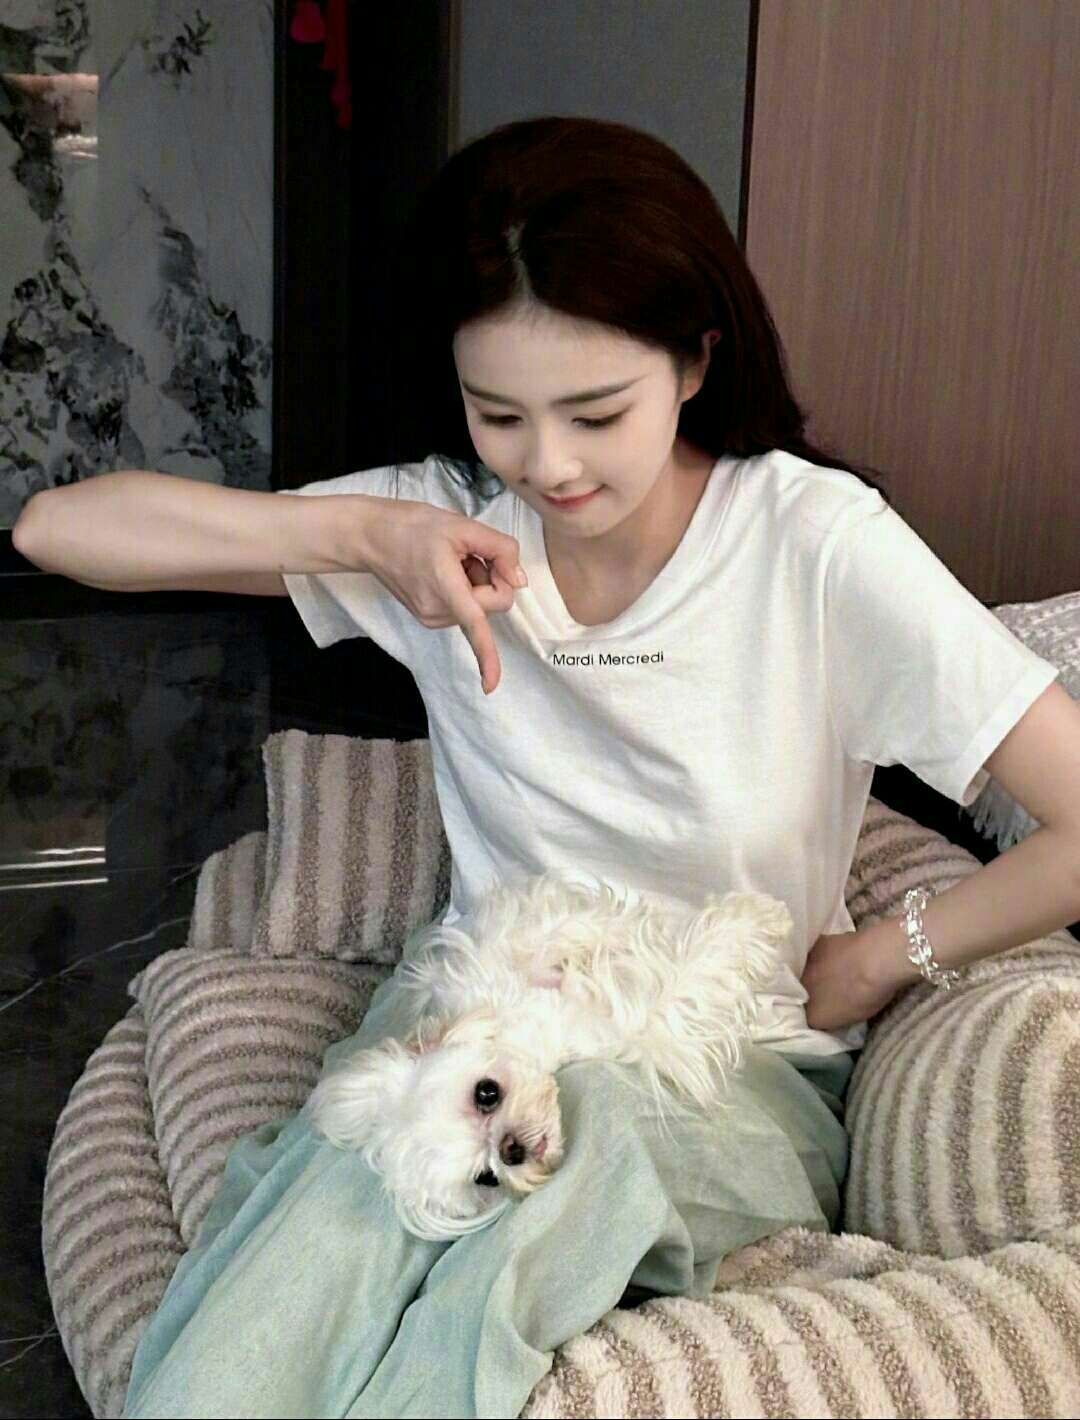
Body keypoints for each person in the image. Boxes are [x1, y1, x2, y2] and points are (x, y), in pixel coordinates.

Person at [15, 115, 1066, 1419]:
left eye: (596, 412)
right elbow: (59, 531)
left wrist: (877, 957)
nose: (549, 465)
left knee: (548, 1213)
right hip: (475, 1017)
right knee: (294, 1279)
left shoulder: (816, 548)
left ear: (697, 360)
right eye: (499, 413)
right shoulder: (442, 526)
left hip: (718, 1067)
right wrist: (368, 532)